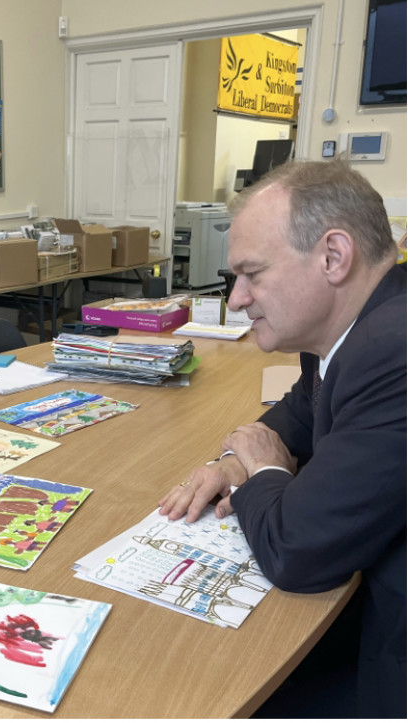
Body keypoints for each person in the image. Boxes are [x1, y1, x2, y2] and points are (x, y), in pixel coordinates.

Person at [158, 158, 406, 718]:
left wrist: (265, 472)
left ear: (334, 256)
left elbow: (300, 551)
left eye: (253, 274)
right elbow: (296, 415)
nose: (238, 299)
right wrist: (232, 462)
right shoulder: (357, 328)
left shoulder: (395, 350)